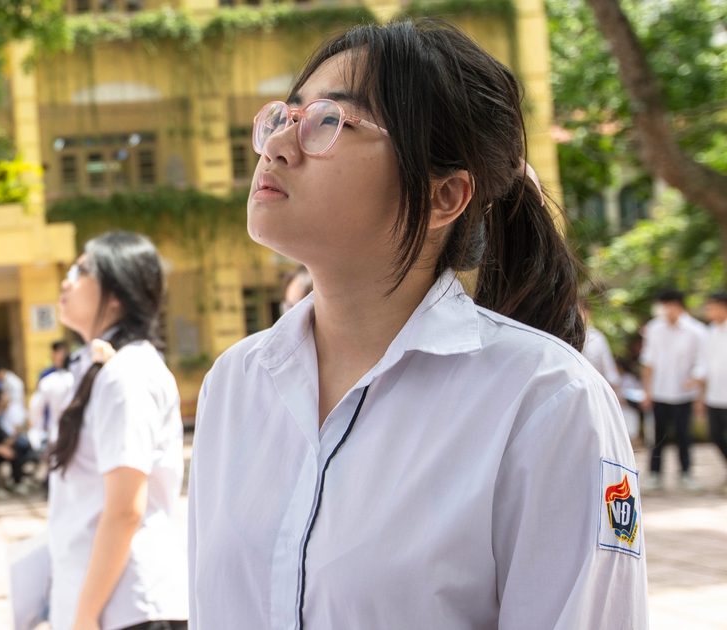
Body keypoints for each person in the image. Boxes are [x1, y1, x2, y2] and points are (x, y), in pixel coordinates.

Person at [188, 20, 646, 629]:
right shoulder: (236, 383)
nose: (277, 145)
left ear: (444, 196)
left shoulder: (546, 400)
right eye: (283, 116)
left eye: (329, 121)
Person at [49, 232, 187, 630]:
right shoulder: (106, 368)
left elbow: (126, 509)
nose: (66, 280)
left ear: (116, 295)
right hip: (116, 604)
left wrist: (86, 614)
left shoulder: (126, 375)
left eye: (82, 270)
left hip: (132, 608)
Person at [640, 289, 707, 492]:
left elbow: (702, 362)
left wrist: (697, 387)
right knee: (657, 435)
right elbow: (648, 362)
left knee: (683, 435)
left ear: (677, 305)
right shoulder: (654, 328)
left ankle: (686, 473)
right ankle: (655, 474)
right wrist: (647, 392)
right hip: (659, 392)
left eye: (665, 305)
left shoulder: (696, 330)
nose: (662, 310)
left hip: (684, 394)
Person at [694, 291, 727, 494]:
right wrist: (698, 388)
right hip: (715, 396)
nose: (709, 311)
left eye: (712, 306)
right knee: (715, 435)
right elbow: (704, 364)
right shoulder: (711, 332)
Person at [580, 297, 621, 395]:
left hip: (595, 392)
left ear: (588, 313)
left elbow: (609, 369)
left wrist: (617, 393)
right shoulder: (560, 338)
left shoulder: (596, 337)